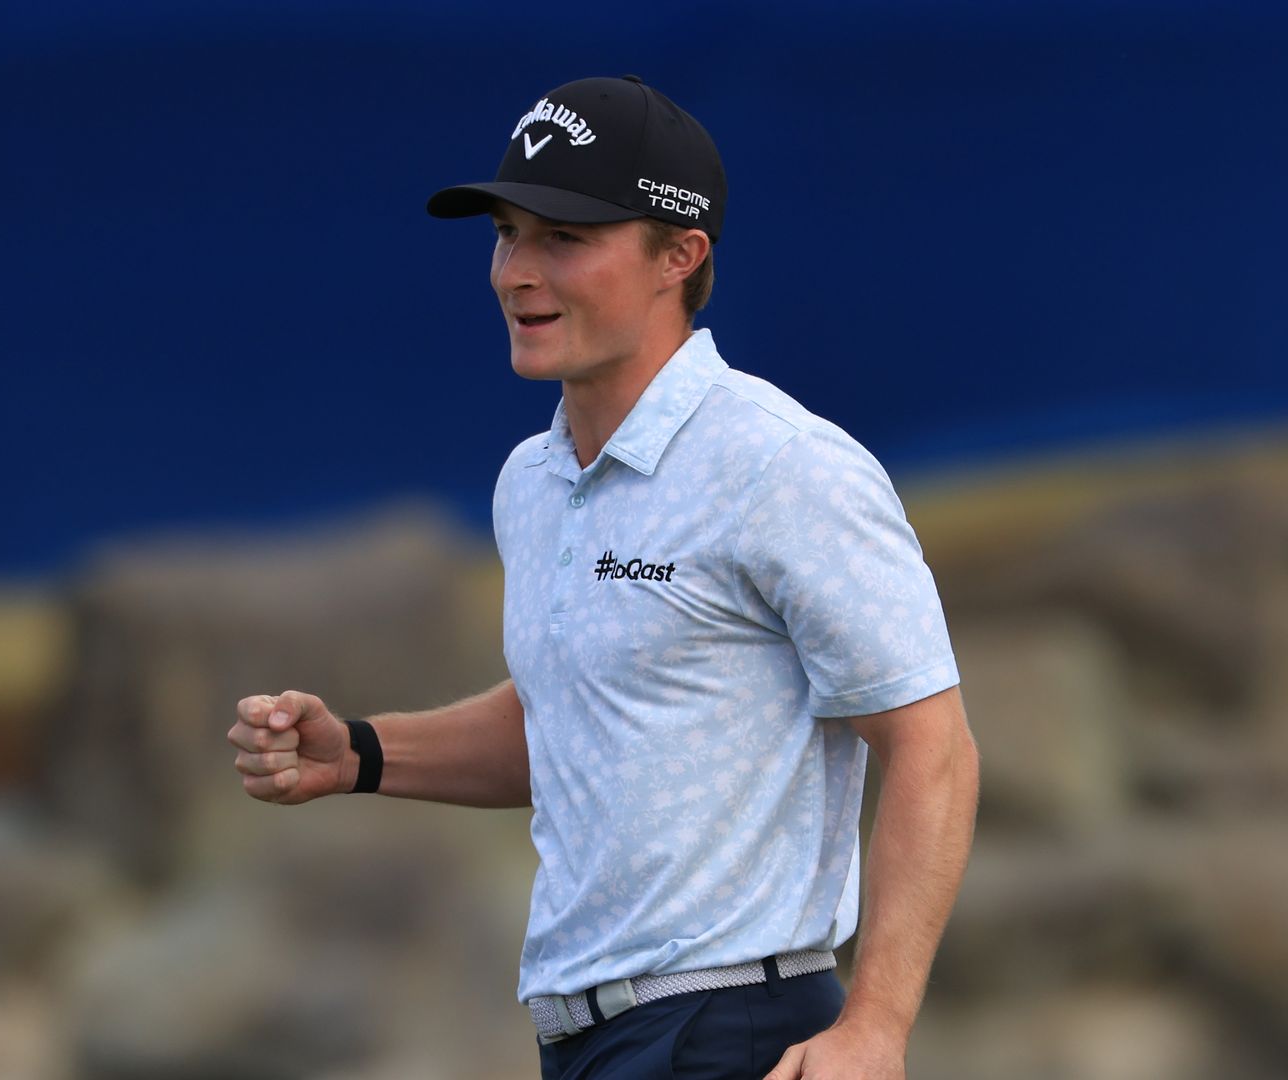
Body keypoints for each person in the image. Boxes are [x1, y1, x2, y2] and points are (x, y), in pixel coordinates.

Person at [229, 75, 978, 1080]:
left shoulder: (783, 465)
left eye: (564, 239)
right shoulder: (529, 483)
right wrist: (359, 753)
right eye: (505, 233)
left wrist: (876, 1028)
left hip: (737, 1036)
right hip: (586, 1046)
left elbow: (932, 745)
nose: (515, 273)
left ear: (682, 254)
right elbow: (576, 718)